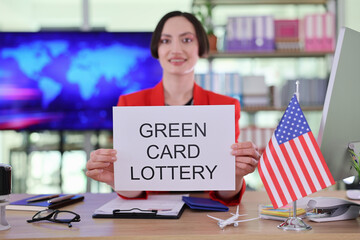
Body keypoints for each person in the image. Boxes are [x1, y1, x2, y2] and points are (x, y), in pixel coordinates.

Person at [86, 11, 261, 206]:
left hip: (207, 218)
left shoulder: (225, 106)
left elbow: (226, 195)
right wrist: (115, 179)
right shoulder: (130, 104)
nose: (176, 49)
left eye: (186, 40)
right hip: (152, 219)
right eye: (166, 41)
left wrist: (235, 174)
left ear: (201, 47)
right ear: (157, 49)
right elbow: (135, 191)